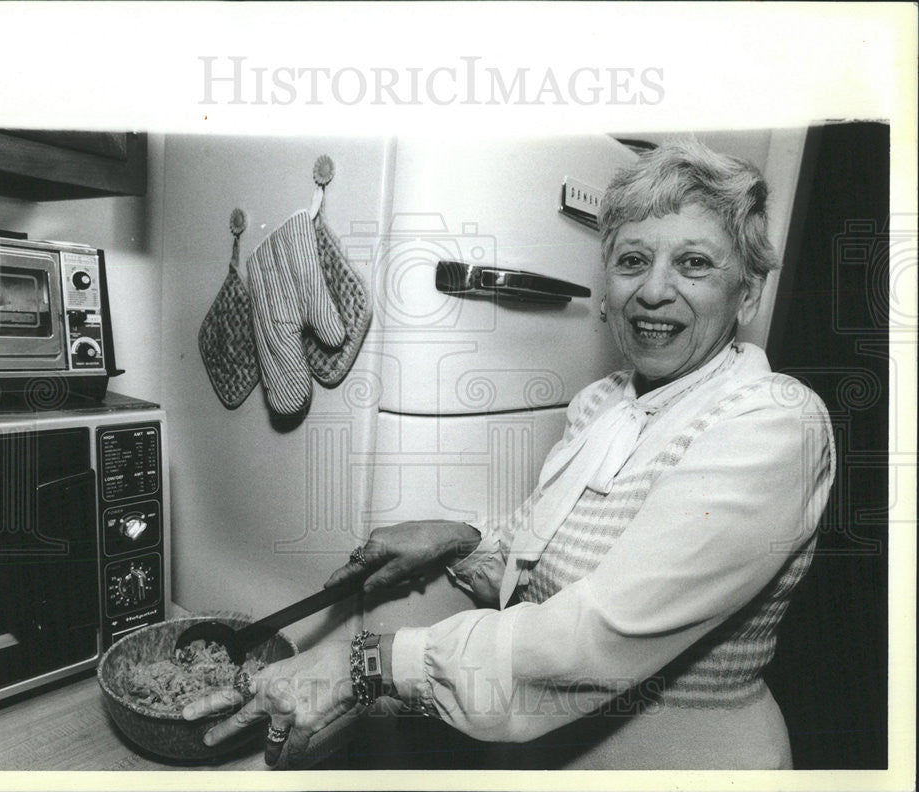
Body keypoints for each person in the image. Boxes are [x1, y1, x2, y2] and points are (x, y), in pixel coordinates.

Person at [184, 138, 835, 770]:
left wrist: (369, 661)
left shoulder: (773, 423)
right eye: (633, 261)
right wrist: (461, 542)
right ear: (605, 287)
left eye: (694, 264)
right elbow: (549, 566)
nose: (654, 291)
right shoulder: (602, 403)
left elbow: (595, 637)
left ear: (747, 294)